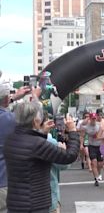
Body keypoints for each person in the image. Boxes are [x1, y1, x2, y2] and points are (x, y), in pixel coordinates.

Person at [4, 101, 80, 213]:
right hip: (35, 204)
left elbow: (30, 152)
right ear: (35, 120)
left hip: (15, 203)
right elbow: (69, 156)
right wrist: (73, 131)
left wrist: (42, 134)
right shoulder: (37, 144)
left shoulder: (11, 139)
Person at [0, 76, 35, 212]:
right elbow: (35, 119)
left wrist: (13, 98)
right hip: (4, 181)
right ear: (6, 99)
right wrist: (35, 97)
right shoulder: (11, 119)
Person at [81, 113, 103, 186]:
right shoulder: (86, 127)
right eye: (92, 118)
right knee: (94, 162)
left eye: (95, 118)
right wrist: (81, 144)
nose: (94, 120)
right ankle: (96, 179)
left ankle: (99, 173)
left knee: (100, 164)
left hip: (100, 146)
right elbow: (82, 135)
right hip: (91, 146)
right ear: (90, 119)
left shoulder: (99, 125)